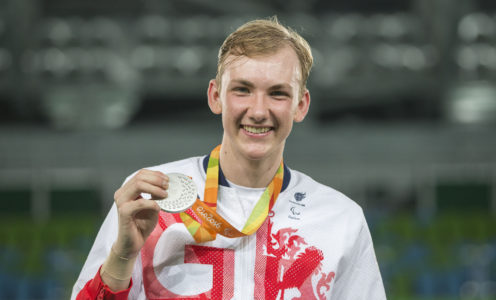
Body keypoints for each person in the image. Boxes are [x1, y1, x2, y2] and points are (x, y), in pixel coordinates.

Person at [71, 17, 386, 300]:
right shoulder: (150, 197)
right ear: (215, 96)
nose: (259, 111)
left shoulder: (340, 219)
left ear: (300, 105)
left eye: (278, 93)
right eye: (242, 90)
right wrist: (123, 255)